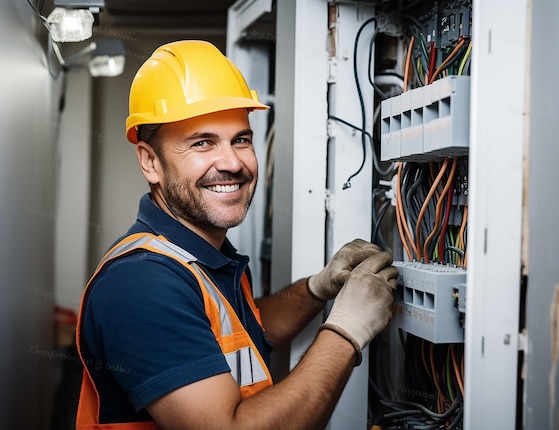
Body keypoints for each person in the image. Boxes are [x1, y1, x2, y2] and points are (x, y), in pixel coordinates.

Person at [75, 40, 398, 430]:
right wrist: (346, 331)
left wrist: (318, 288)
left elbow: (247, 330)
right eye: (202, 142)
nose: (231, 163)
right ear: (150, 162)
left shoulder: (199, 257)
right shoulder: (143, 282)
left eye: (241, 139)